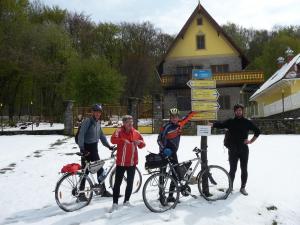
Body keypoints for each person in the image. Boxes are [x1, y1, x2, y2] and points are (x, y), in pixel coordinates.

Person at [211, 103, 260, 196]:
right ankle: (230, 187)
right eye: (237, 110)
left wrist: (250, 141)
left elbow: (257, 131)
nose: (239, 112)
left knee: (244, 169)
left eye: (240, 110)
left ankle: (243, 187)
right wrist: (212, 124)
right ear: (234, 111)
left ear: (242, 111)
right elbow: (221, 124)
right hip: (233, 149)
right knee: (232, 169)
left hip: (243, 149)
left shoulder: (247, 122)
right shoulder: (231, 121)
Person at [157, 108, 196, 203]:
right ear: (170, 117)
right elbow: (159, 140)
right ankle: (161, 195)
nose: (174, 119)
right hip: (164, 153)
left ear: (178, 117)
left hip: (173, 153)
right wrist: (163, 149)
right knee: (162, 174)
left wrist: (195, 110)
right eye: (172, 117)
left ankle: (170, 195)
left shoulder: (180, 123)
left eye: (176, 117)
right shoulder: (165, 126)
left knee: (175, 174)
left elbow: (188, 117)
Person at [77, 103, 115, 200]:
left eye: (99, 112)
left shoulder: (98, 123)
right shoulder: (87, 122)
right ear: (92, 112)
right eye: (96, 112)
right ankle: (81, 194)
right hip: (86, 150)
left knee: (99, 169)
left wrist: (109, 146)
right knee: (85, 172)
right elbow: (81, 135)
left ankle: (103, 190)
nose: (98, 114)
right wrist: (82, 149)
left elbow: (101, 136)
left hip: (94, 149)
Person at [109, 115, 145, 212]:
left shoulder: (136, 132)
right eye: (128, 122)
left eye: (131, 122)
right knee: (117, 184)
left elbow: (143, 144)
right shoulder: (119, 131)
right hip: (121, 162)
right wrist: (122, 140)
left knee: (130, 183)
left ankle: (126, 201)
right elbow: (112, 140)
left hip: (132, 163)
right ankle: (115, 203)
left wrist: (140, 143)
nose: (130, 124)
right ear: (124, 123)